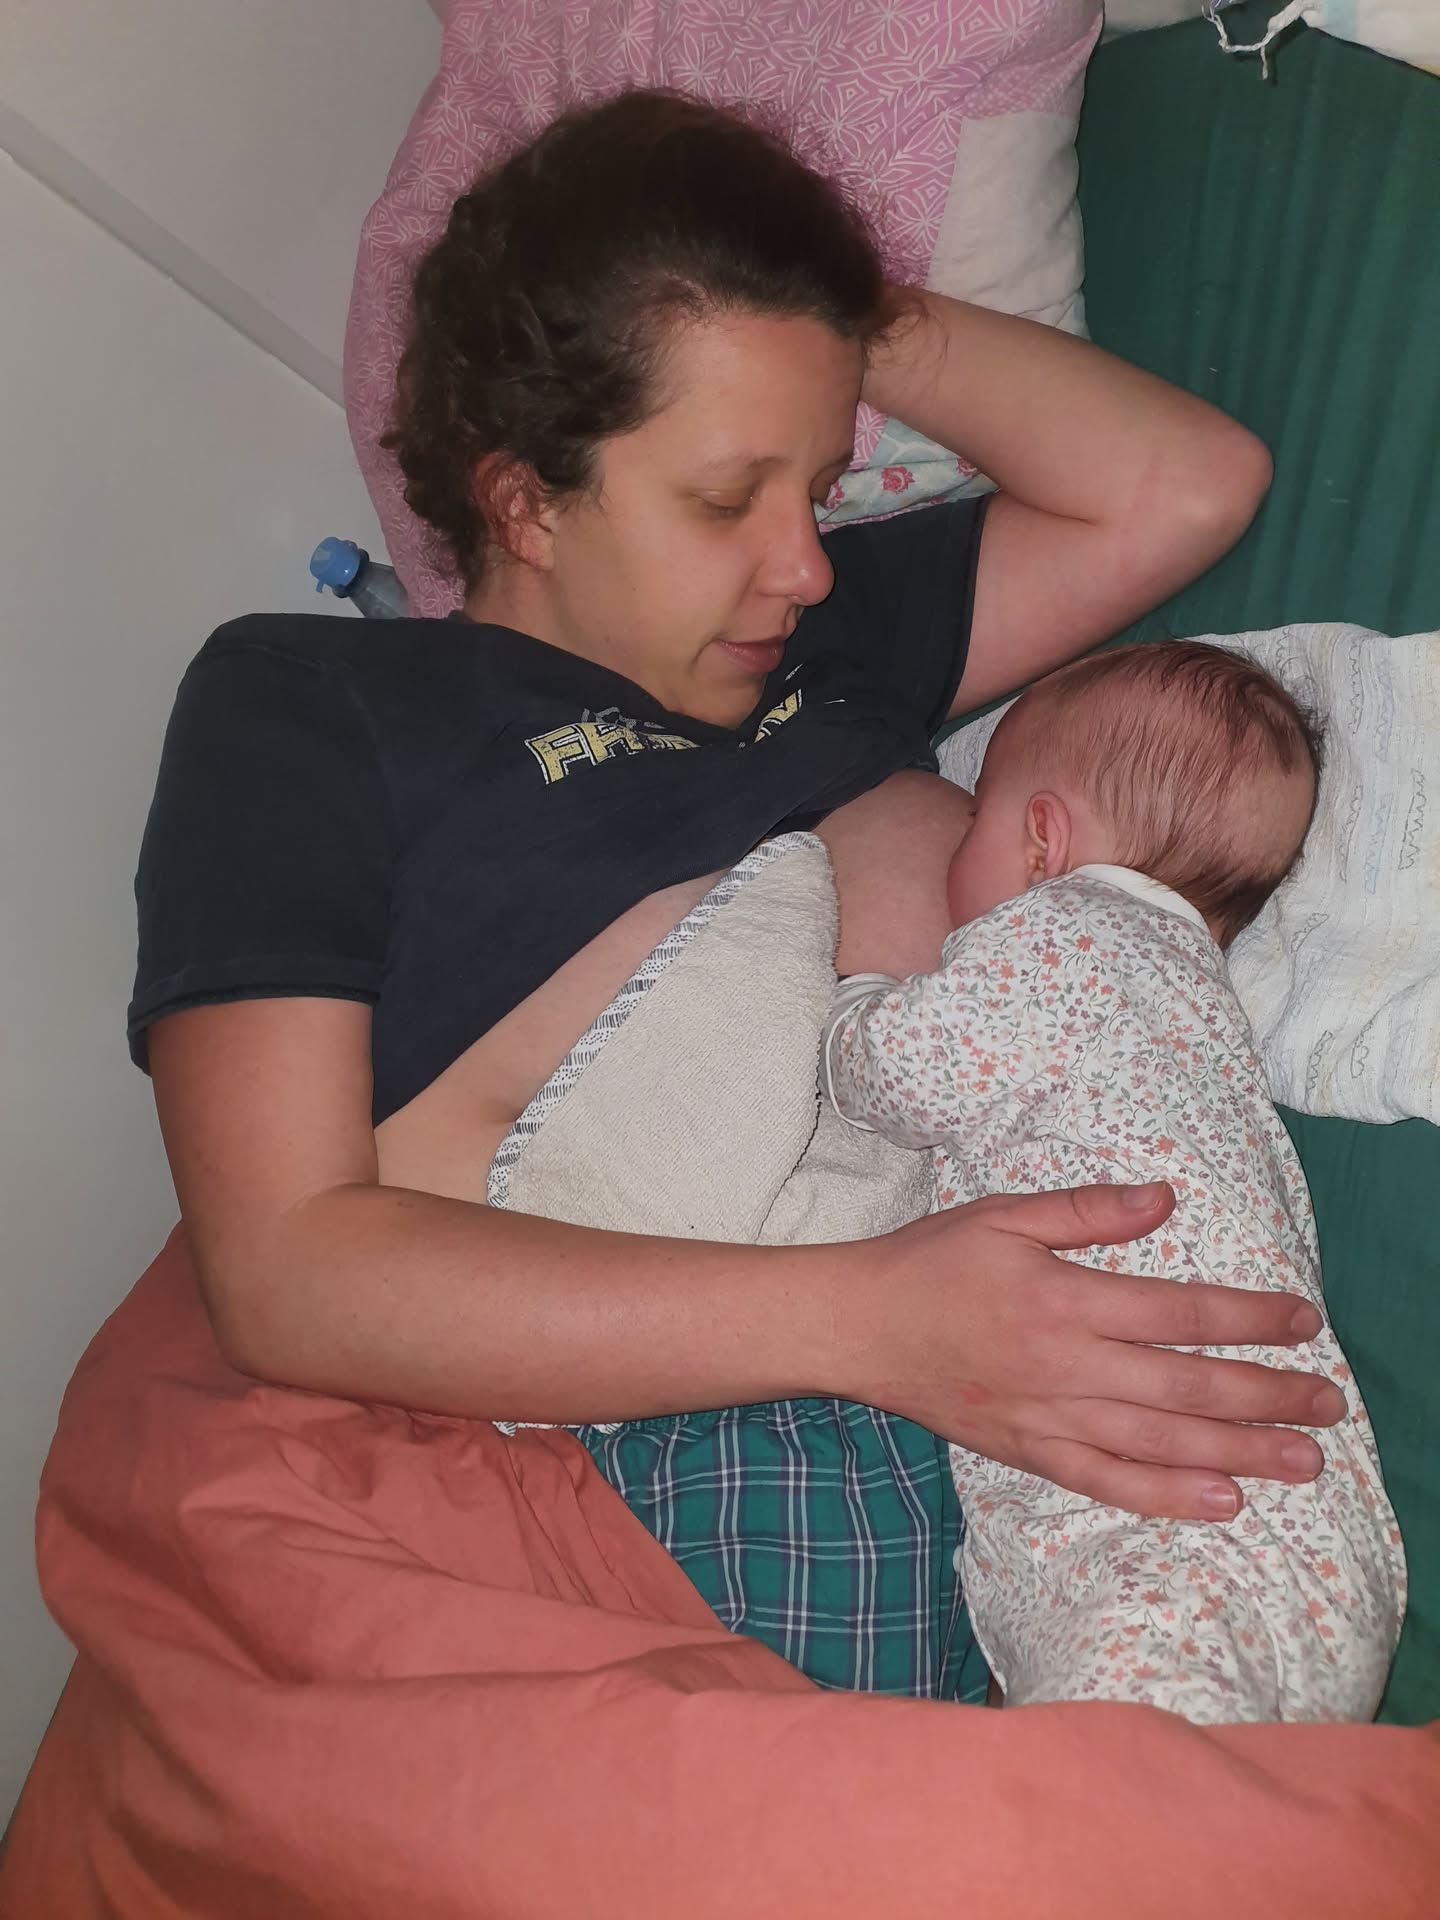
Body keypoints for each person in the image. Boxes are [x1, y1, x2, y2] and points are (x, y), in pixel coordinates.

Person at [123, 91, 1341, 1702]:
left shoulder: (818, 645)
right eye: (726, 497)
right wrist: (871, 1323)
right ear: (523, 496)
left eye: (818, 483)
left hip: (1012, 1472)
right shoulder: (310, 706)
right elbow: (283, 1269)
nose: (806, 561)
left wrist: (813, 306)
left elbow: (1186, 481)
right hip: (668, 1451)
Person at [824, 642, 1407, 1721]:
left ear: (1041, 841)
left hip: (1168, 1538)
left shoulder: (1063, 930)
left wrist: (855, 1000)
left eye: (975, 819)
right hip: (1298, 1533)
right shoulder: (1200, 1006)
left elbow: (904, 1072)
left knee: (1112, 1788)